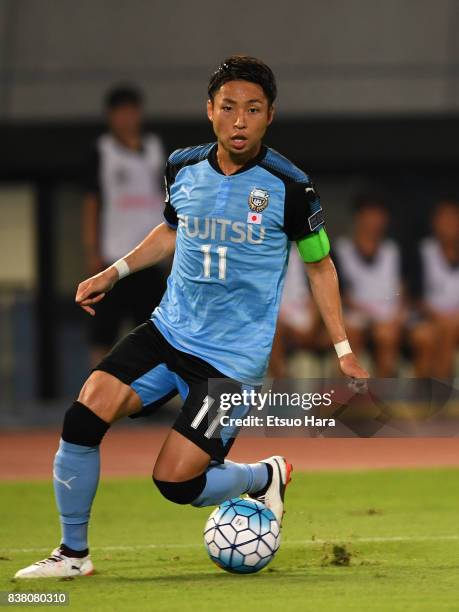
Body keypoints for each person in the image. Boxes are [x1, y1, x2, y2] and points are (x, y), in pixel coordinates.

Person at [15, 55, 368, 579]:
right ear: (210, 111)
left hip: (231, 364)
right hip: (169, 330)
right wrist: (113, 273)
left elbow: (320, 266)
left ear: (270, 115)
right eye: (229, 107)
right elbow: (170, 230)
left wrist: (343, 349)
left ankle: (260, 476)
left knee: (176, 483)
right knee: (83, 415)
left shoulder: (290, 186)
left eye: (253, 109)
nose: (239, 120)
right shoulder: (183, 166)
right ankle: (72, 556)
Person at [83, 84, 168, 367]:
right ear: (110, 116)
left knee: (154, 329)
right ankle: (94, 397)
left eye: (131, 112)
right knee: (104, 331)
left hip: (149, 255)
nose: (126, 119)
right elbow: (92, 202)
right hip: (113, 258)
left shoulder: (156, 149)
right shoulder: (103, 151)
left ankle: (153, 399)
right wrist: (92, 250)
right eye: (120, 113)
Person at [334, 197, 404, 377]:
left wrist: (396, 316)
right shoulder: (341, 250)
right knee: (350, 334)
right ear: (358, 217)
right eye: (369, 215)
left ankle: (383, 396)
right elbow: (339, 293)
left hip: (386, 317)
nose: (374, 221)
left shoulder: (392, 251)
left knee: (386, 336)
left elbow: (401, 290)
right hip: (353, 316)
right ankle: (347, 398)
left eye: (378, 216)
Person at [413, 199, 459, 377]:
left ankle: (440, 394)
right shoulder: (422, 251)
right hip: (429, 318)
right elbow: (414, 296)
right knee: (426, 337)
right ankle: (423, 398)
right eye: (444, 219)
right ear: (434, 222)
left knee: (450, 326)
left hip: (454, 320)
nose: (449, 224)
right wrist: (438, 316)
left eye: (453, 219)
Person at [269, 248, 330, 378]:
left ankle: (338, 392)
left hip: (306, 319)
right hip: (278, 320)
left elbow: (321, 293)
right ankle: (281, 381)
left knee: (344, 332)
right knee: (273, 331)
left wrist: (312, 323)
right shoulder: (261, 256)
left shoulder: (306, 254)